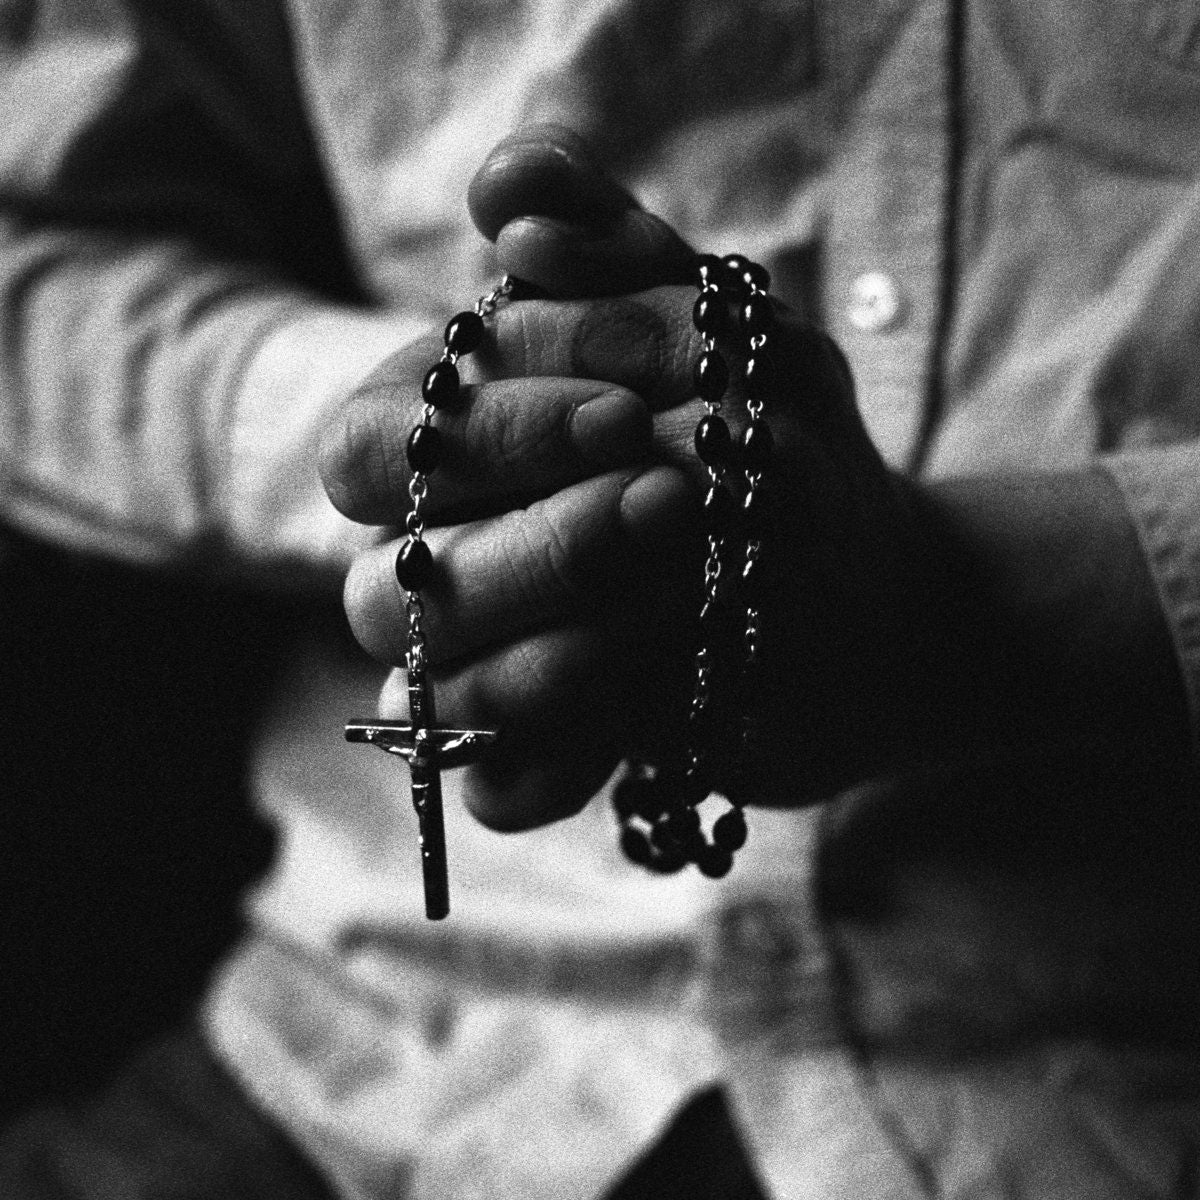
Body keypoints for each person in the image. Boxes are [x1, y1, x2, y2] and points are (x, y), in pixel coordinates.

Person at [2, 1, 1199, 1198]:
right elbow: (36, 262)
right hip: (383, 1041)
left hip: (1100, 1074)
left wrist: (981, 597)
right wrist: (456, 444)